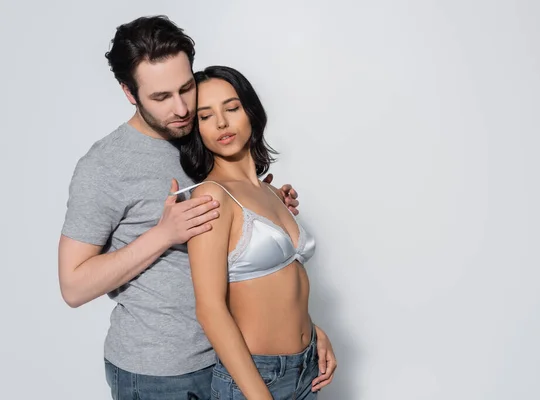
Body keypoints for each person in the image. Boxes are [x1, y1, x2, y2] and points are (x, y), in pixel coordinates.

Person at [57, 15, 335, 400]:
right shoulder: (105, 166)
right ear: (129, 92)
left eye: (186, 88)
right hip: (163, 371)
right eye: (160, 97)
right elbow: (72, 286)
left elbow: (244, 249)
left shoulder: (202, 139)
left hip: (237, 355)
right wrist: (162, 235)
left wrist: (269, 211)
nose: (182, 108)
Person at [177, 65, 334, 400]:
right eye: (205, 116)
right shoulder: (211, 195)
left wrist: (314, 332)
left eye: (231, 108)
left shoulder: (268, 191)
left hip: (307, 368)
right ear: (196, 129)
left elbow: (281, 283)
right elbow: (210, 308)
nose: (221, 123)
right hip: (255, 380)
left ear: (251, 111)